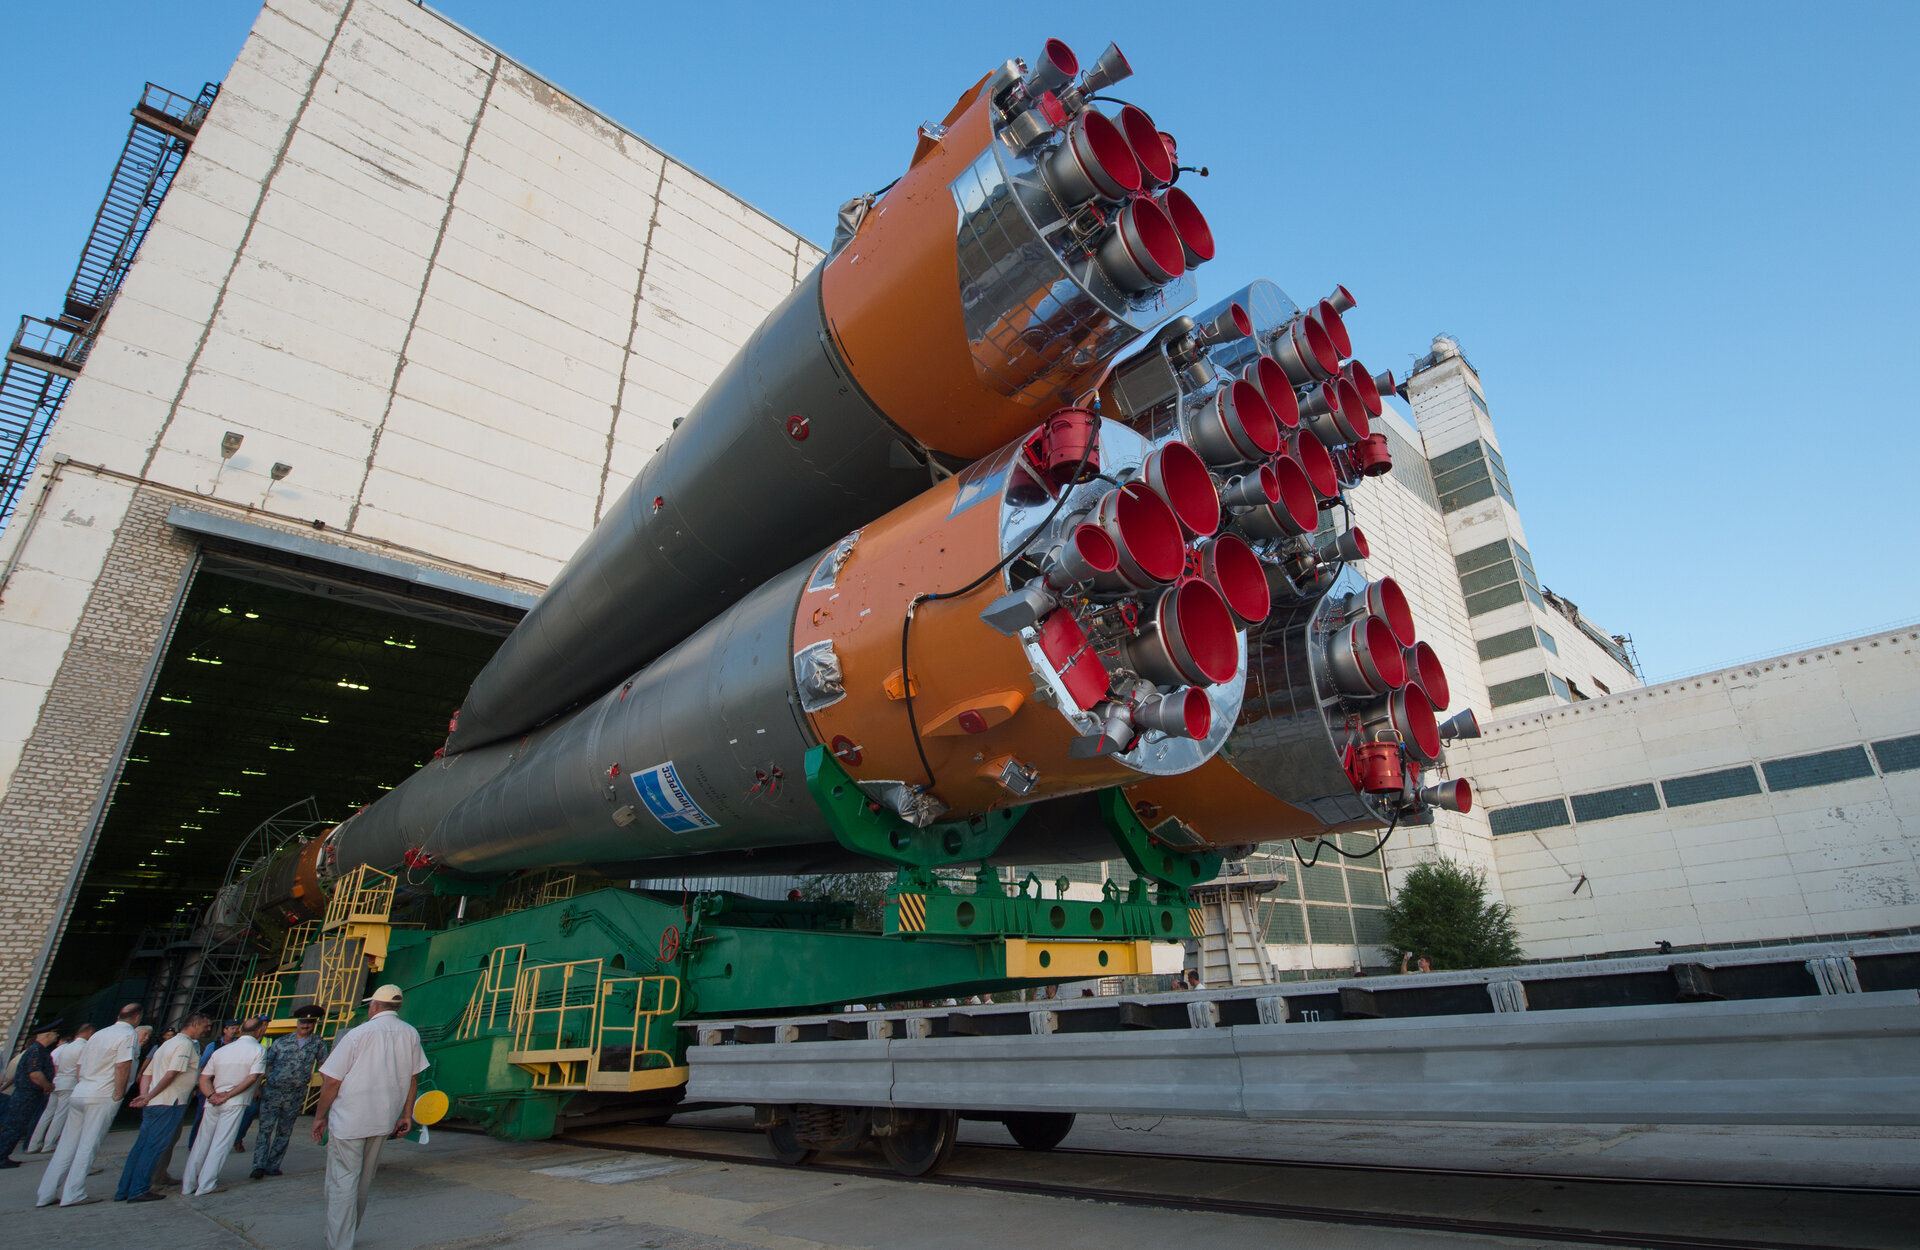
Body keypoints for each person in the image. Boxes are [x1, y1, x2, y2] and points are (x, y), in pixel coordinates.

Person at [312, 985, 427, 1250]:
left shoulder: (358, 1034)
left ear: (374, 1006)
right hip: (383, 1120)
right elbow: (413, 1078)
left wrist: (319, 1116)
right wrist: (406, 1114)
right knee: (363, 1181)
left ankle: (339, 1243)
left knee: (343, 1180)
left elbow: (331, 1080)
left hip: (350, 1120)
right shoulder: (410, 1034)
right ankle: (345, 1234)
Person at [37, 1002, 142, 1207]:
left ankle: (46, 1193)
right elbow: (122, 1065)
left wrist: (83, 1083)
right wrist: (119, 1093)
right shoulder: (128, 1035)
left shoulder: (98, 1035)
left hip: (82, 1090)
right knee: (88, 1145)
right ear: (137, 1017)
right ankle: (73, 1193)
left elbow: (80, 1065)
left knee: (66, 1145)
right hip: (102, 1093)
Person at [114, 1013, 210, 1202]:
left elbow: (147, 1073)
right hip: (170, 1102)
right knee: (154, 1146)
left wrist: (146, 1095)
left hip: (155, 1102)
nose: (207, 1030)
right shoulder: (184, 1044)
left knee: (141, 1145)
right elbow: (172, 1073)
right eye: (205, 1026)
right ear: (194, 1024)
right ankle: (138, 1189)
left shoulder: (167, 1044)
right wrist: (148, 1096)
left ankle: (125, 1189)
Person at [182, 1016, 266, 1195]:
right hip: (234, 1102)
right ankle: (206, 1184)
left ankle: (188, 1184)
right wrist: (228, 1095)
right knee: (221, 1143)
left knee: (201, 1142)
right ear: (260, 1030)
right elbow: (252, 1077)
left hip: (213, 1101)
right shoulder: (258, 1050)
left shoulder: (222, 1050)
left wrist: (212, 1095)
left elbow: (204, 1078)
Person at [251, 1005, 330, 1179]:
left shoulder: (318, 1043)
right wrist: (257, 1086)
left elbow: (324, 1067)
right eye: (302, 1022)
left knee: (284, 1131)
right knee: (265, 1129)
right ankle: (258, 1165)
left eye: (309, 1022)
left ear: (314, 1024)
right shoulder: (281, 1042)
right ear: (297, 1022)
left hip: (295, 1094)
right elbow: (265, 1065)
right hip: (273, 1091)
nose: (305, 1025)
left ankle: (273, 1165)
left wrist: (328, 1088)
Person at [0, 1021, 61, 1166]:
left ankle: (3, 1155)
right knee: (15, 1127)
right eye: (55, 1033)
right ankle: (1, 1157)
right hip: (26, 1096)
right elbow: (35, 1074)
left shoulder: (38, 1050)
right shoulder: (36, 1051)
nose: (56, 1037)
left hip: (27, 1095)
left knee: (16, 1126)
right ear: (48, 1035)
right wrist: (47, 1085)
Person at [28, 1025, 90, 1153]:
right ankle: (49, 1144)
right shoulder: (84, 1047)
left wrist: (52, 1081)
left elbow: (55, 1067)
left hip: (57, 1082)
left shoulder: (65, 1048)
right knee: (60, 1115)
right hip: (69, 1083)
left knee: (47, 1114)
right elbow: (81, 1068)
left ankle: (33, 1144)